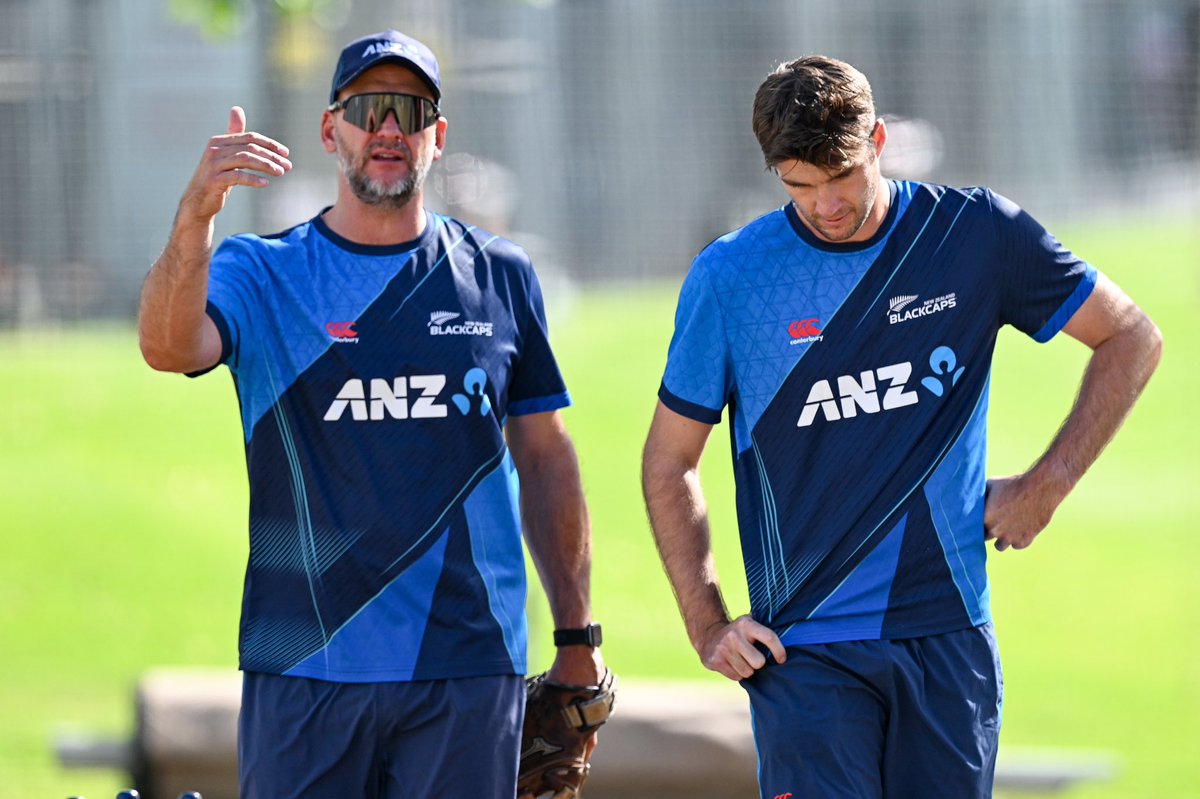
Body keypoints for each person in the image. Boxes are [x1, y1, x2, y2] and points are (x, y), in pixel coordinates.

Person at [641, 55, 1161, 799]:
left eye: (841, 176)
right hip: (803, 655)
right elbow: (668, 462)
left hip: (947, 635)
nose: (824, 204)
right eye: (799, 184)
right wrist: (706, 623)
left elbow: (1131, 337)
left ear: (878, 140)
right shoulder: (730, 279)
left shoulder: (976, 233)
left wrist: (1048, 484)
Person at [137, 29, 605, 799]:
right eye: (369, 108)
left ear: (437, 137)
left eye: (410, 110)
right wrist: (194, 219)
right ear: (332, 130)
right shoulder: (263, 272)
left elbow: (547, 456)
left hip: (466, 659)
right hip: (305, 659)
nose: (390, 129)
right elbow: (165, 346)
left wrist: (576, 634)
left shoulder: (500, 275)